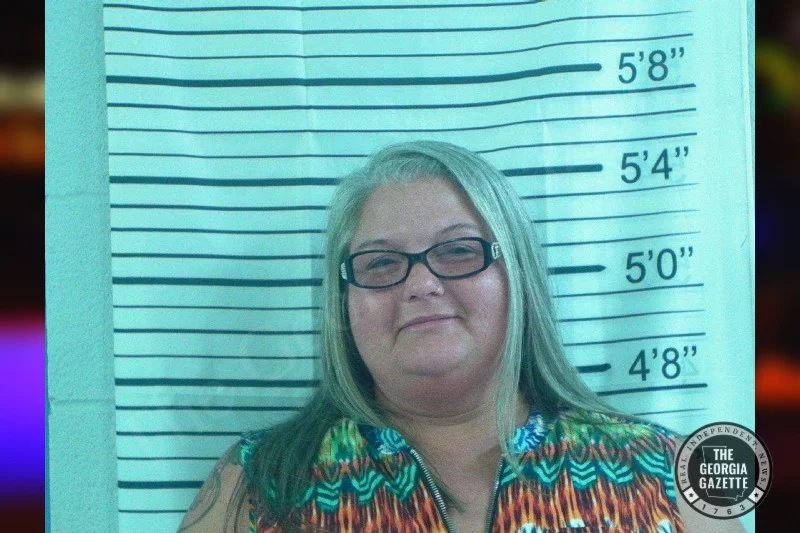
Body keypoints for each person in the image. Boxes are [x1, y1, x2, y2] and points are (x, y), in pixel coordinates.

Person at [178, 141, 744, 533]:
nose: (421, 285)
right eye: (380, 263)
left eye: (458, 251)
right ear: (343, 301)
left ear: (518, 276)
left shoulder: (664, 475)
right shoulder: (257, 483)